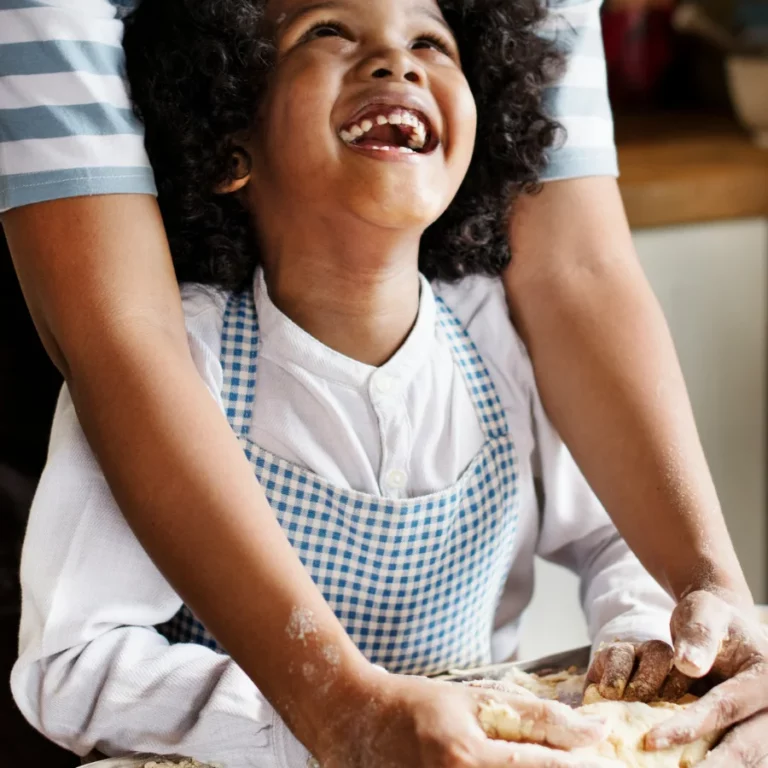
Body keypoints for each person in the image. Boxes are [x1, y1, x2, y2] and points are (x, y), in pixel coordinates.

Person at [1, 0, 766, 765]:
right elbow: (72, 665)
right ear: (230, 142)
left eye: (432, 40)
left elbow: (617, 535)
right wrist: (316, 721)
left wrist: (647, 636)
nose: (397, 61)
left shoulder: (502, 345)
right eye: (328, 31)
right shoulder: (199, 357)